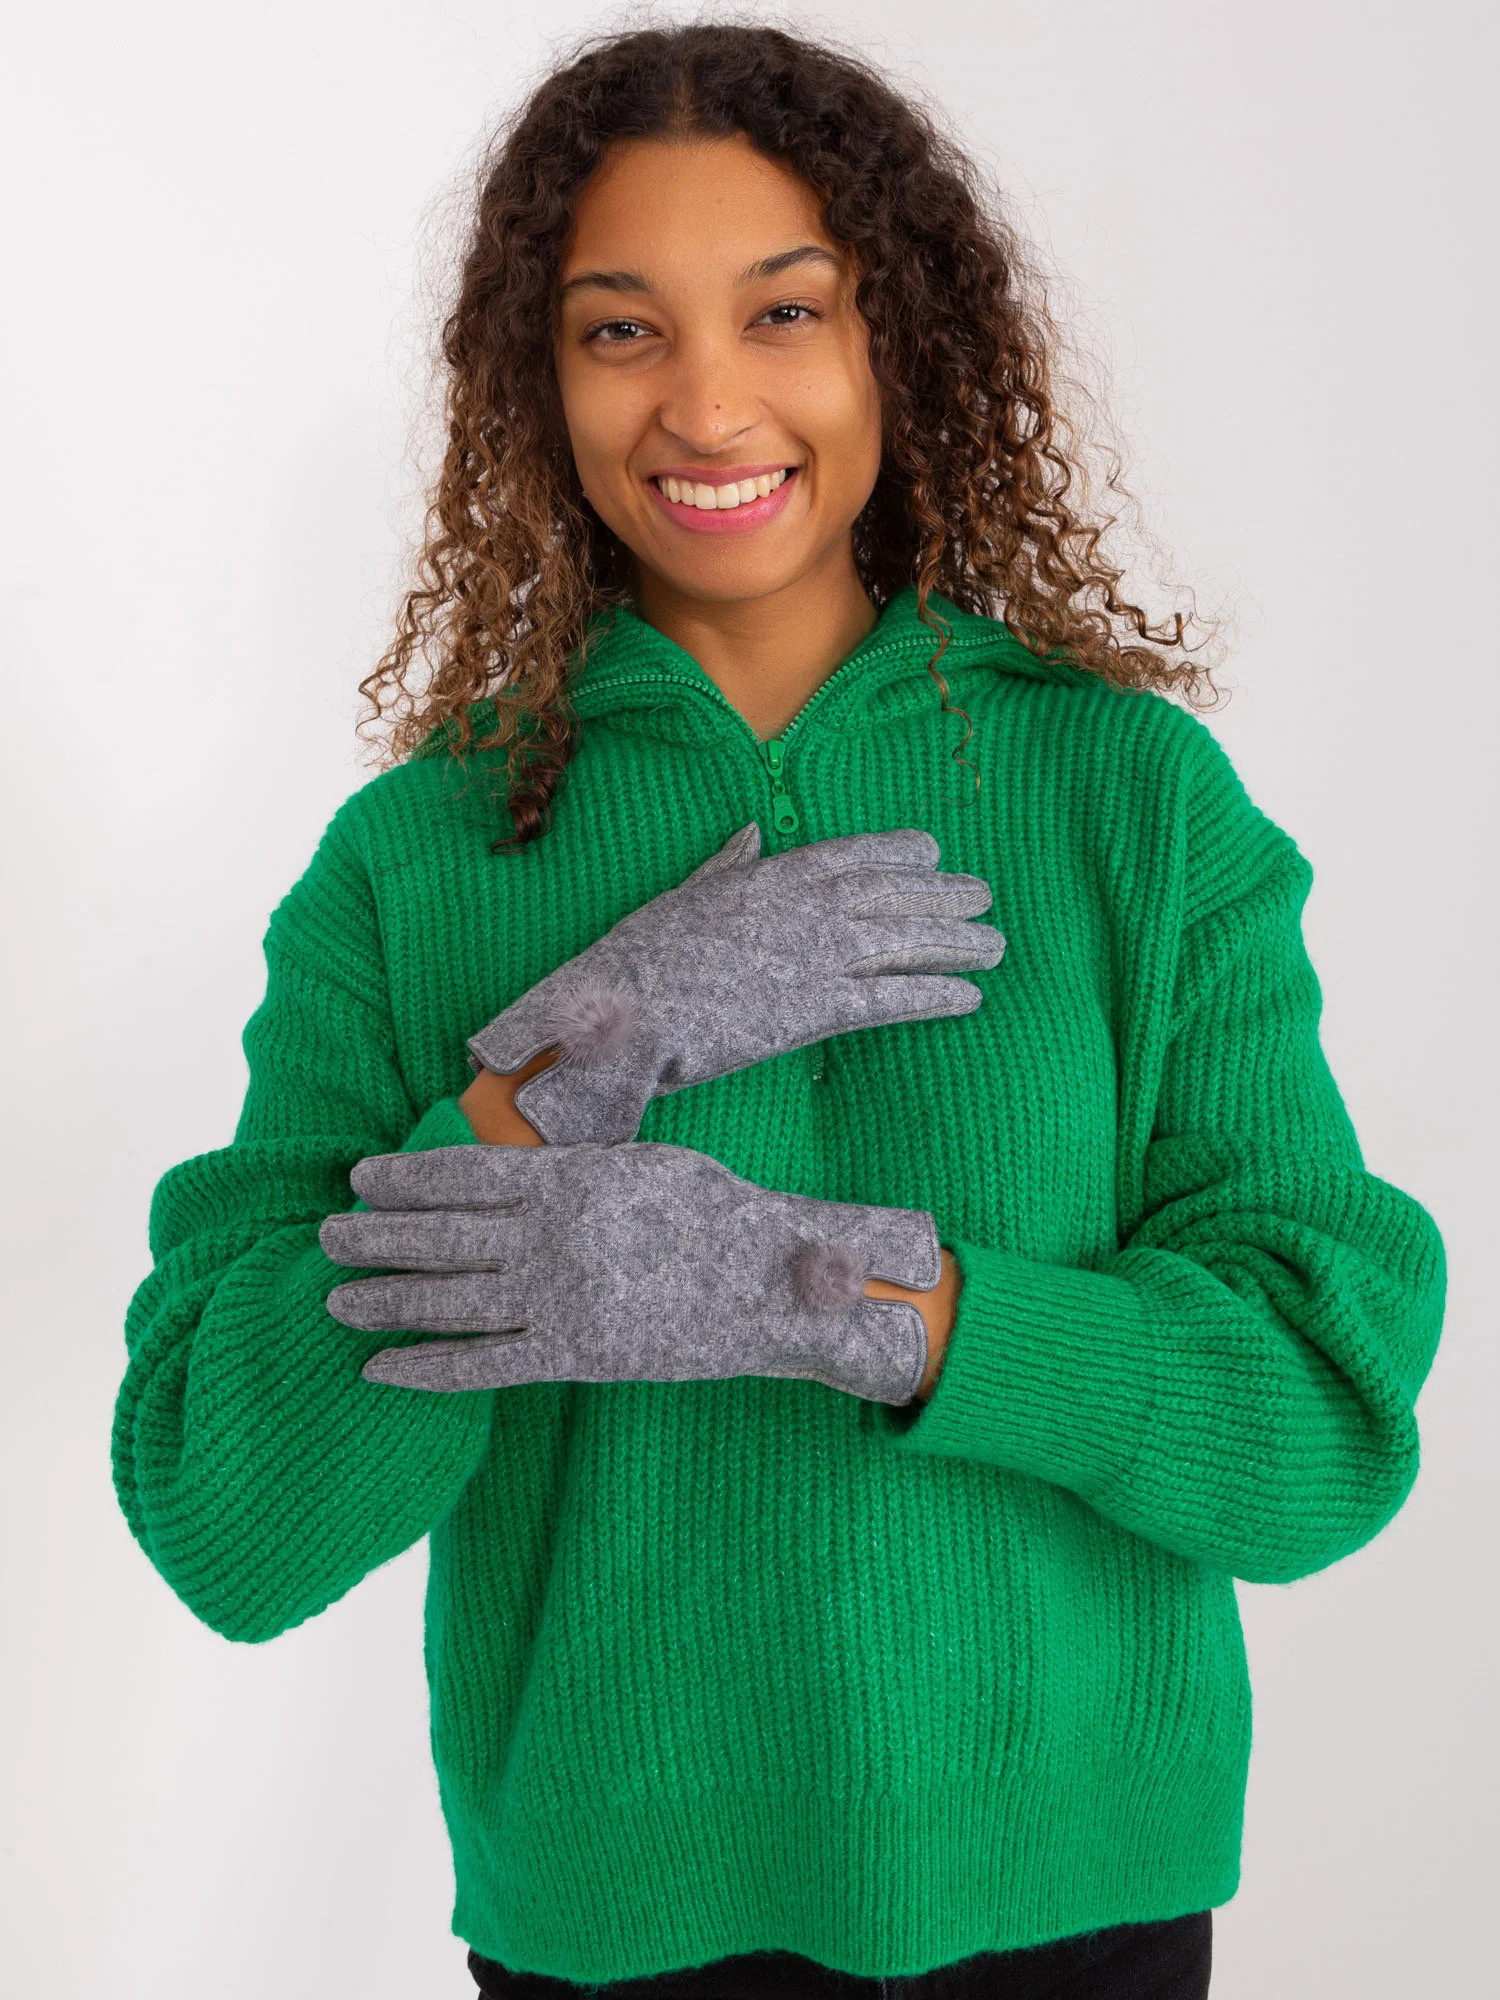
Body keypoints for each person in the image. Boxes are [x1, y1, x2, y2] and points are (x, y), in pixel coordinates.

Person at [110, 22, 1447, 2000]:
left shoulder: (1131, 804)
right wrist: (555, 1073)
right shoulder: (415, 863)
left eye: (786, 311)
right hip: (620, 1929)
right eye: (621, 330)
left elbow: (1322, 1429)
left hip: (1082, 1904)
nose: (707, 401)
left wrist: (854, 1301)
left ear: (899, 340)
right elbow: (229, 1517)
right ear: (540, 378)